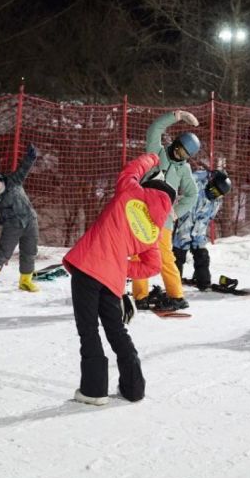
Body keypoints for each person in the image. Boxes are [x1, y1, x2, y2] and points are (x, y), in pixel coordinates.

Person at [63, 153, 175, 405]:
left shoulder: (130, 192)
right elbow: (152, 265)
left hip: (88, 265)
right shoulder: (153, 232)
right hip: (111, 280)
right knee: (116, 330)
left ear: (148, 186)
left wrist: (154, 157)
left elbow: (131, 168)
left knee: (88, 330)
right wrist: (120, 267)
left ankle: (94, 391)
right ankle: (133, 388)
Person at [130, 109, 201, 311]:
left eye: (184, 155)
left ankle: (176, 295)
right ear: (175, 144)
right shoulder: (157, 152)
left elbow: (192, 194)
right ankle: (140, 296)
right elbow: (154, 129)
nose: (179, 156)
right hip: (142, 213)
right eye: (178, 150)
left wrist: (176, 212)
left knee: (165, 257)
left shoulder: (183, 169)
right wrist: (177, 115)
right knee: (137, 254)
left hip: (163, 220)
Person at [0, 143, 40, 293]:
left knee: (30, 250)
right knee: (3, 252)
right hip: (13, 225)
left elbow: (23, 169)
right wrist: (0, 220)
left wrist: (31, 157)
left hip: (30, 220)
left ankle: (25, 280)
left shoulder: (12, 180)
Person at [173, 168, 233, 290]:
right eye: (214, 190)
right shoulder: (197, 187)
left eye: (218, 194)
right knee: (178, 256)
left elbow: (210, 216)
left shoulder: (216, 202)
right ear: (211, 183)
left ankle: (203, 282)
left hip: (198, 232)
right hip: (183, 228)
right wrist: (208, 173)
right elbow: (189, 177)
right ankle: (174, 284)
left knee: (202, 256)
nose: (215, 194)